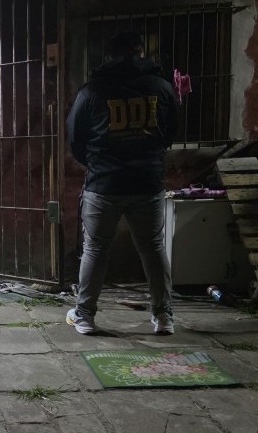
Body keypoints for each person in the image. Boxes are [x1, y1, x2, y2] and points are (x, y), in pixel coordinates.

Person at [65, 32, 177, 336]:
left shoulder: (92, 91)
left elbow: (75, 140)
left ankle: (85, 316)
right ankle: (163, 316)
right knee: (153, 248)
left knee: (95, 248)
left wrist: (97, 161)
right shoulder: (161, 87)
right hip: (147, 182)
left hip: (104, 183)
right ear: (140, 51)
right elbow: (170, 133)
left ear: (107, 56)